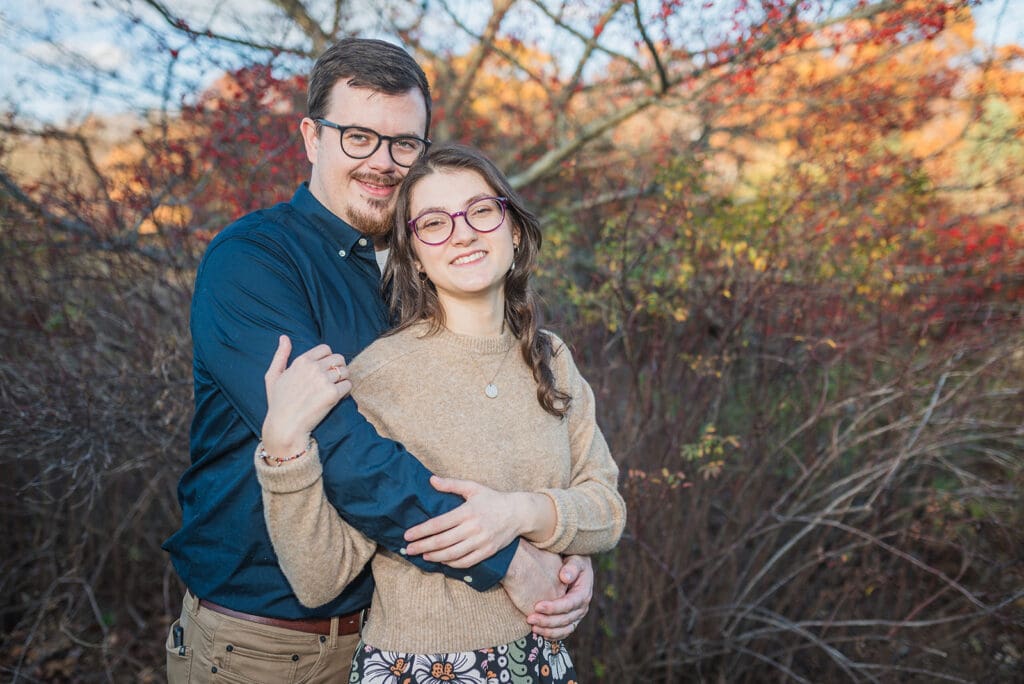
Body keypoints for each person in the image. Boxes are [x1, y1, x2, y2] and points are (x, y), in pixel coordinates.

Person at [163, 38, 593, 684]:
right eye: (358, 137)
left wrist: (558, 549)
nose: (383, 163)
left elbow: (468, 447)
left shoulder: (426, 273)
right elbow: (348, 456)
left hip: (391, 642)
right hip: (264, 645)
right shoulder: (252, 262)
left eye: (403, 144)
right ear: (311, 138)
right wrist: (508, 559)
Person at [256, 143, 626, 682]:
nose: (463, 233)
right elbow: (321, 577)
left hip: (541, 661)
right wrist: (284, 450)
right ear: (415, 257)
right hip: (420, 667)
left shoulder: (551, 357)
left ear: (513, 229)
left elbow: (606, 512)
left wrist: (518, 514)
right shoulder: (380, 377)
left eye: (480, 210)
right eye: (434, 223)